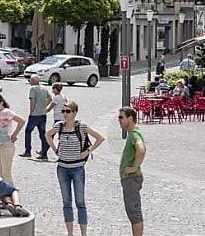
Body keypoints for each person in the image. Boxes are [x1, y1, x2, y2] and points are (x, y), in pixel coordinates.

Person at [45, 100, 104, 236]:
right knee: (66, 201)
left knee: (80, 202)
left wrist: (88, 150)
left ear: (74, 113)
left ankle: (84, 233)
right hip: (62, 168)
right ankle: (70, 233)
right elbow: (48, 135)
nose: (65, 114)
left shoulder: (81, 127)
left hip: (78, 168)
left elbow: (100, 138)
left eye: (68, 111)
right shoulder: (59, 126)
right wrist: (54, 149)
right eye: (63, 111)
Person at [118, 106, 146, 236]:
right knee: (132, 214)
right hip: (130, 179)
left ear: (130, 118)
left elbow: (141, 149)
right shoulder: (132, 133)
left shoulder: (134, 133)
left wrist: (134, 167)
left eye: (121, 117)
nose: (119, 120)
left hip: (131, 179)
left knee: (135, 215)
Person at [0, 92, 25, 186]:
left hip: (6, 144)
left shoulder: (6, 112)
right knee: (0, 173)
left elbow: (21, 121)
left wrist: (15, 134)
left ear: (1, 102)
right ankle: (3, 195)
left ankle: (11, 194)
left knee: (6, 173)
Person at [22, 75, 51, 160]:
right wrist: (44, 106)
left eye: (30, 80)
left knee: (28, 131)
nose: (29, 81)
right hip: (43, 114)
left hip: (35, 115)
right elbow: (50, 98)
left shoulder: (33, 89)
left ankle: (28, 151)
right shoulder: (44, 88)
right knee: (42, 134)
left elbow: (32, 100)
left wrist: (32, 110)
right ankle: (44, 153)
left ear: (33, 81)